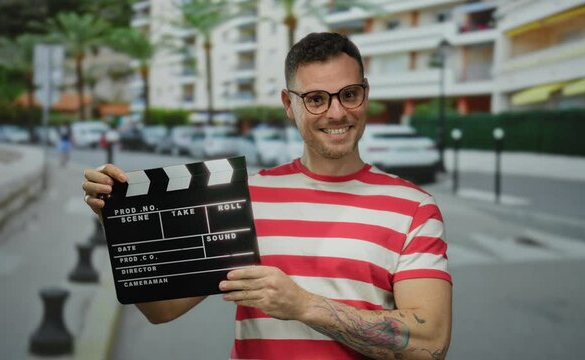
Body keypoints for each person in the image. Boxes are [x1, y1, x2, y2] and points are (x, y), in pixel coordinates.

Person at [82, 32, 452, 359]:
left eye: (349, 94)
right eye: (316, 99)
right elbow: (162, 310)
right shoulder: (246, 196)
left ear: (365, 95)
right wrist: (120, 223)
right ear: (289, 105)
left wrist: (304, 306)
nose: (336, 112)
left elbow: (431, 344)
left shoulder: (414, 208)